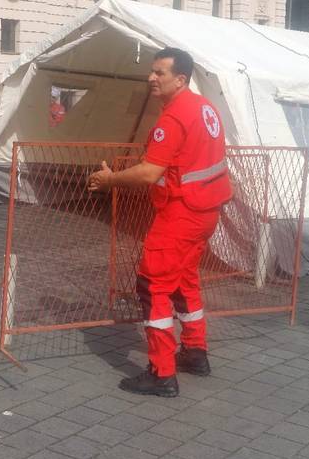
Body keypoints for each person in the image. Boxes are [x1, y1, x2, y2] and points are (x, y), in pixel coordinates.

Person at [88, 47, 231, 397]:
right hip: (206, 211)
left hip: (179, 215)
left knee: (153, 287)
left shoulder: (173, 118)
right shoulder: (205, 108)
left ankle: (162, 372)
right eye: (152, 71)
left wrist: (110, 180)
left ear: (180, 79)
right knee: (184, 281)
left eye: (160, 73)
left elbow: (151, 173)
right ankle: (196, 354)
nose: (151, 78)